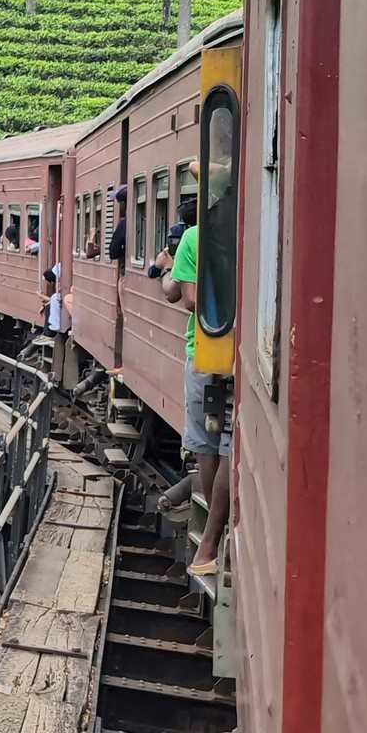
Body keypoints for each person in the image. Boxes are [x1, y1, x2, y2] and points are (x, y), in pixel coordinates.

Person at [155, 192, 230, 575]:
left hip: (205, 350)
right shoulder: (245, 231)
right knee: (230, 447)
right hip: (242, 352)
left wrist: (166, 266)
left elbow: (184, 298)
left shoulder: (194, 238)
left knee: (207, 446)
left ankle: (209, 544)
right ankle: (214, 541)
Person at [107, 184, 128, 262]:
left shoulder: (124, 224)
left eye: (119, 202)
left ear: (123, 203)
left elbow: (113, 252)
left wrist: (124, 253)